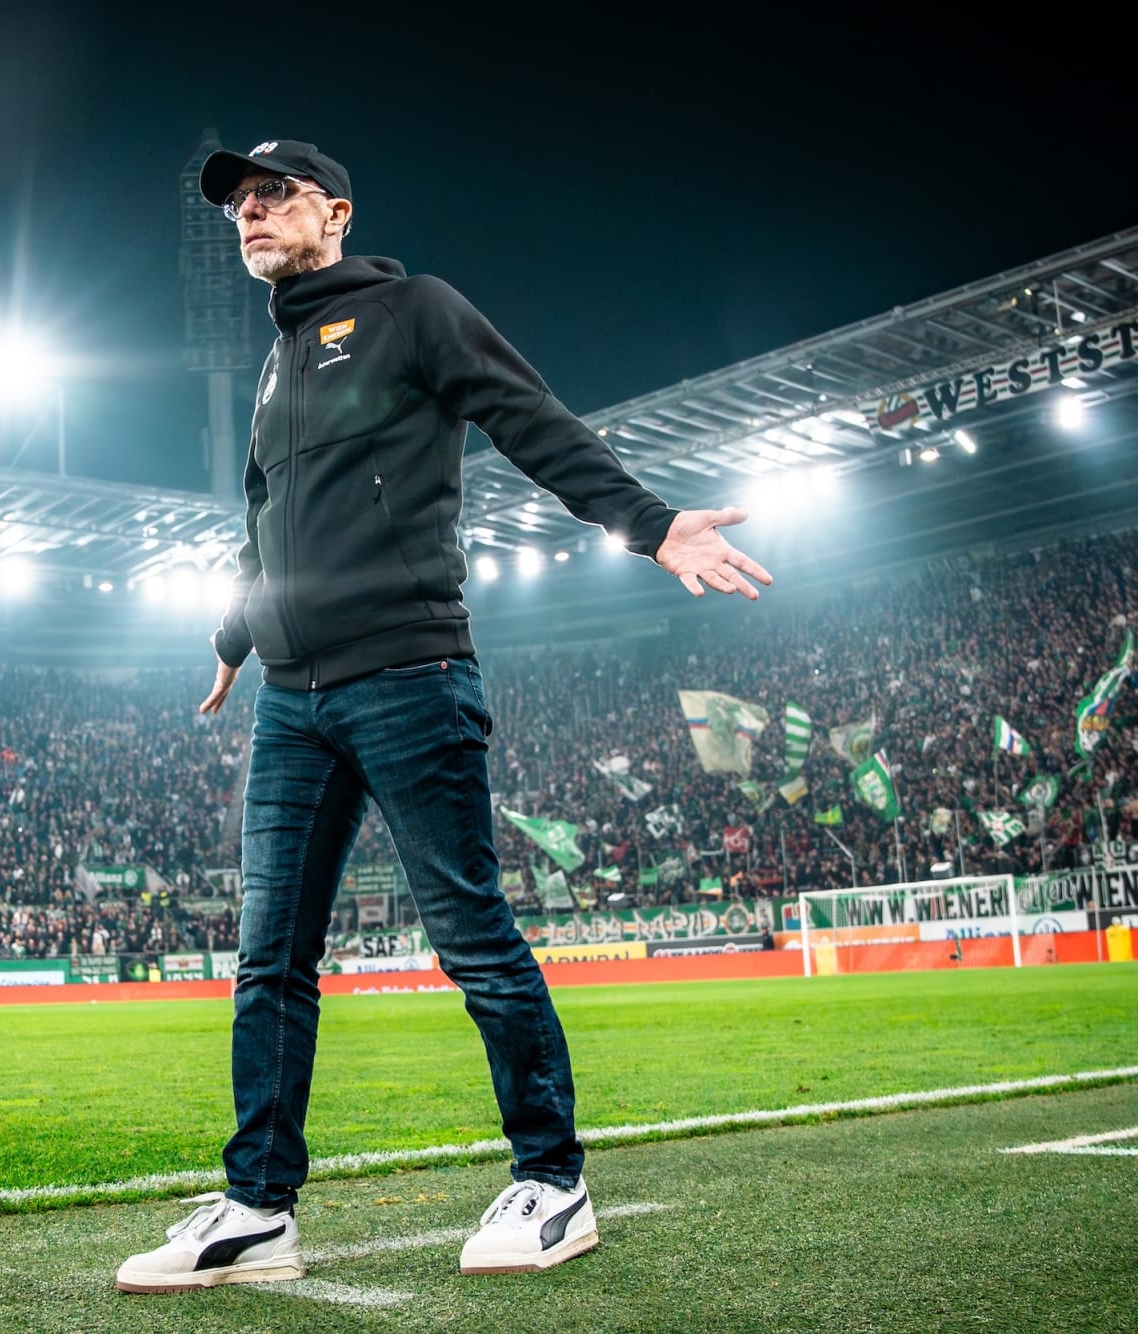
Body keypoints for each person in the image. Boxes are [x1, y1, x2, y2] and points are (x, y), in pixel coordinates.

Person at [119, 139, 770, 1295]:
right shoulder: (274, 367)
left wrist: (649, 522)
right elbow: (262, 525)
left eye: (272, 194)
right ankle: (257, 1206)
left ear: (335, 212)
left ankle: (551, 1178)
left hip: (406, 675)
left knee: (470, 935)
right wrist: (230, 642)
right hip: (290, 700)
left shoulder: (413, 310)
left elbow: (530, 418)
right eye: (236, 203)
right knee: (268, 958)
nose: (249, 212)